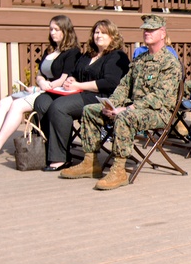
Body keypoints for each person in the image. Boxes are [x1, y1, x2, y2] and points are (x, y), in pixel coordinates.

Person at [59, 14, 182, 189]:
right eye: (145, 29)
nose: (146, 32)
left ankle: (119, 170)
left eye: (151, 30)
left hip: (157, 112)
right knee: (90, 110)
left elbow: (158, 97)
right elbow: (124, 86)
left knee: (125, 117)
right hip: (132, 108)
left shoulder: (170, 62)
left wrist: (127, 108)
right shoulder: (140, 60)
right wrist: (112, 104)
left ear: (162, 33)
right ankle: (90, 163)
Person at [0, 16, 80, 157]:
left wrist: (42, 88)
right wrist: (41, 82)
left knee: (17, 105)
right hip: (41, 89)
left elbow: (63, 79)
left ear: (66, 31)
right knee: (4, 102)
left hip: (53, 93)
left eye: (56, 29)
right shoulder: (50, 50)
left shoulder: (73, 52)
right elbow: (40, 74)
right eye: (51, 29)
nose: (52, 33)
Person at [33, 20, 130, 172]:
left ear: (113, 36)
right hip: (78, 93)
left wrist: (78, 85)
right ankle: (48, 150)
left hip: (101, 97)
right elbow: (74, 72)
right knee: (42, 101)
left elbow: (110, 83)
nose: (99, 35)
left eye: (104, 33)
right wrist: (72, 79)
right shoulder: (88, 54)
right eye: (97, 32)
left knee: (59, 107)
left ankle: (60, 158)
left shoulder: (117, 56)